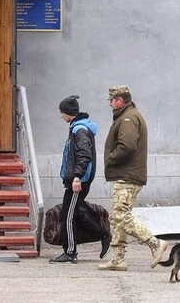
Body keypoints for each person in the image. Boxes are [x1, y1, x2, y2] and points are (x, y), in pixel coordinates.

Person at [99, 85, 167, 271]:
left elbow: (127, 146)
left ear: (120, 100)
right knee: (117, 218)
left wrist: (110, 159)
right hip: (126, 175)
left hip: (127, 176)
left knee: (121, 215)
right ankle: (117, 259)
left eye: (111, 100)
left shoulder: (128, 117)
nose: (110, 103)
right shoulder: (127, 115)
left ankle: (155, 243)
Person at [49, 95, 111, 264]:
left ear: (69, 113)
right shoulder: (77, 127)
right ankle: (103, 235)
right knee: (75, 212)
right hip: (77, 179)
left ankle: (70, 252)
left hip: (78, 180)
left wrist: (77, 177)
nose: (61, 115)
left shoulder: (80, 130)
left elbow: (84, 155)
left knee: (67, 216)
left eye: (62, 112)